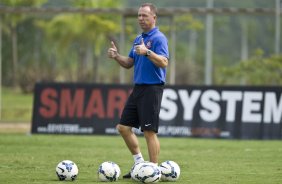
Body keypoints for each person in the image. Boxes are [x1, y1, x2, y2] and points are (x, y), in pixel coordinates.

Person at [107, 3, 169, 178]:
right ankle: (140, 165)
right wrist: (116, 56)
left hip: (152, 89)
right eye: (139, 15)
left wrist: (147, 52)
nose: (141, 18)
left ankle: (154, 171)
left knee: (149, 132)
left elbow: (164, 62)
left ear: (154, 18)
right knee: (123, 127)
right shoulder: (138, 39)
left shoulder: (159, 38)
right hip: (138, 89)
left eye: (145, 15)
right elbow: (129, 63)